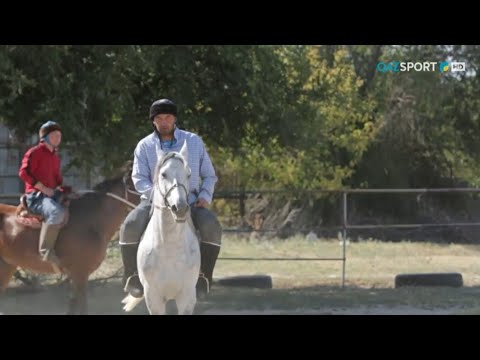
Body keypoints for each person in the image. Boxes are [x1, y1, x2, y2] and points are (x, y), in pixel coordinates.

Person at [119, 98, 222, 298]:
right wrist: (155, 196)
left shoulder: (193, 142)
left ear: (174, 118)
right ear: (153, 121)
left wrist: (204, 195)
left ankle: (204, 277)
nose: (164, 121)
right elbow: (138, 178)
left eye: (168, 117)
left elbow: (209, 174)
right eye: (159, 118)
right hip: (153, 201)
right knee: (130, 224)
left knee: (211, 225)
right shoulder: (144, 146)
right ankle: (132, 276)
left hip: (189, 200)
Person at [18, 121, 67, 272]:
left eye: (59, 135)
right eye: (54, 135)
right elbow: (23, 173)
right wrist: (44, 189)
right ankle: (45, 251)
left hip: (51, 195)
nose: (58, 138)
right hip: (35, 197)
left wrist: (64, 189)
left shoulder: (55, 157)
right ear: (44, 137)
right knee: (56, 212)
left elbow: (57, 180)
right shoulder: (34, 152)